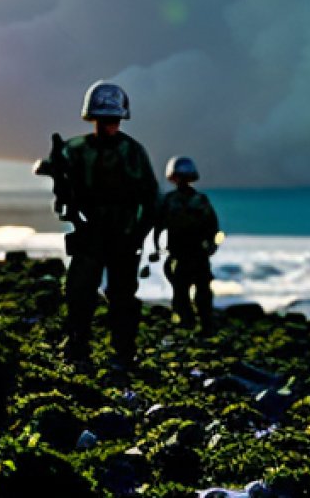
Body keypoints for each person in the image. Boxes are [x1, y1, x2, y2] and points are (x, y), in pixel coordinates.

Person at [42, 81, 159, 367]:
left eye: (114, 120)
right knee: (79, 292)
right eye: (105, 120)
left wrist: (138, 235)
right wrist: (58, 173)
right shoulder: (76, 150)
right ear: (93, 118)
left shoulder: (133, 152)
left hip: (123, 234)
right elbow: (59, 181)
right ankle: (77, 347)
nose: (110, 125)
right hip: (89, 232)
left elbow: (150, 198)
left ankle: (124, 352)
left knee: (122, 297)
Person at [152, 156, 220, 333]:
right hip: (185, 254)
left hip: (191, 254)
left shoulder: (181, 200)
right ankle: (195, 323)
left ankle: (196, 323)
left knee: (192, 291)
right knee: (187, 291)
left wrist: (157, 247)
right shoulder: (191, 200)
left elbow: (213, 227)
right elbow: (158, 226)